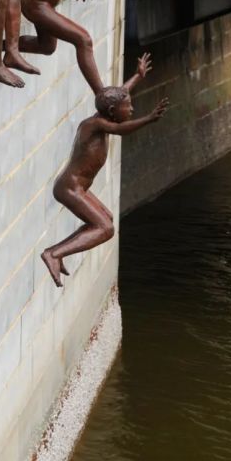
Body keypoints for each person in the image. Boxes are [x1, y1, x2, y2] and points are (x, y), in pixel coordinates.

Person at [40, 53, 169, 287]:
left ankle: (60, 252)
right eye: (128, 107)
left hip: (78, 188)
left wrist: (138, 76)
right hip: (69, 189)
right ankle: (54, 253)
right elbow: (122, 129)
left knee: (105, 219)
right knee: (105, 229)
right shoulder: (96, 124)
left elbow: (121, 92)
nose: (131, 109)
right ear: (112, 111)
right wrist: (148, 119)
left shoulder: (106, 113)